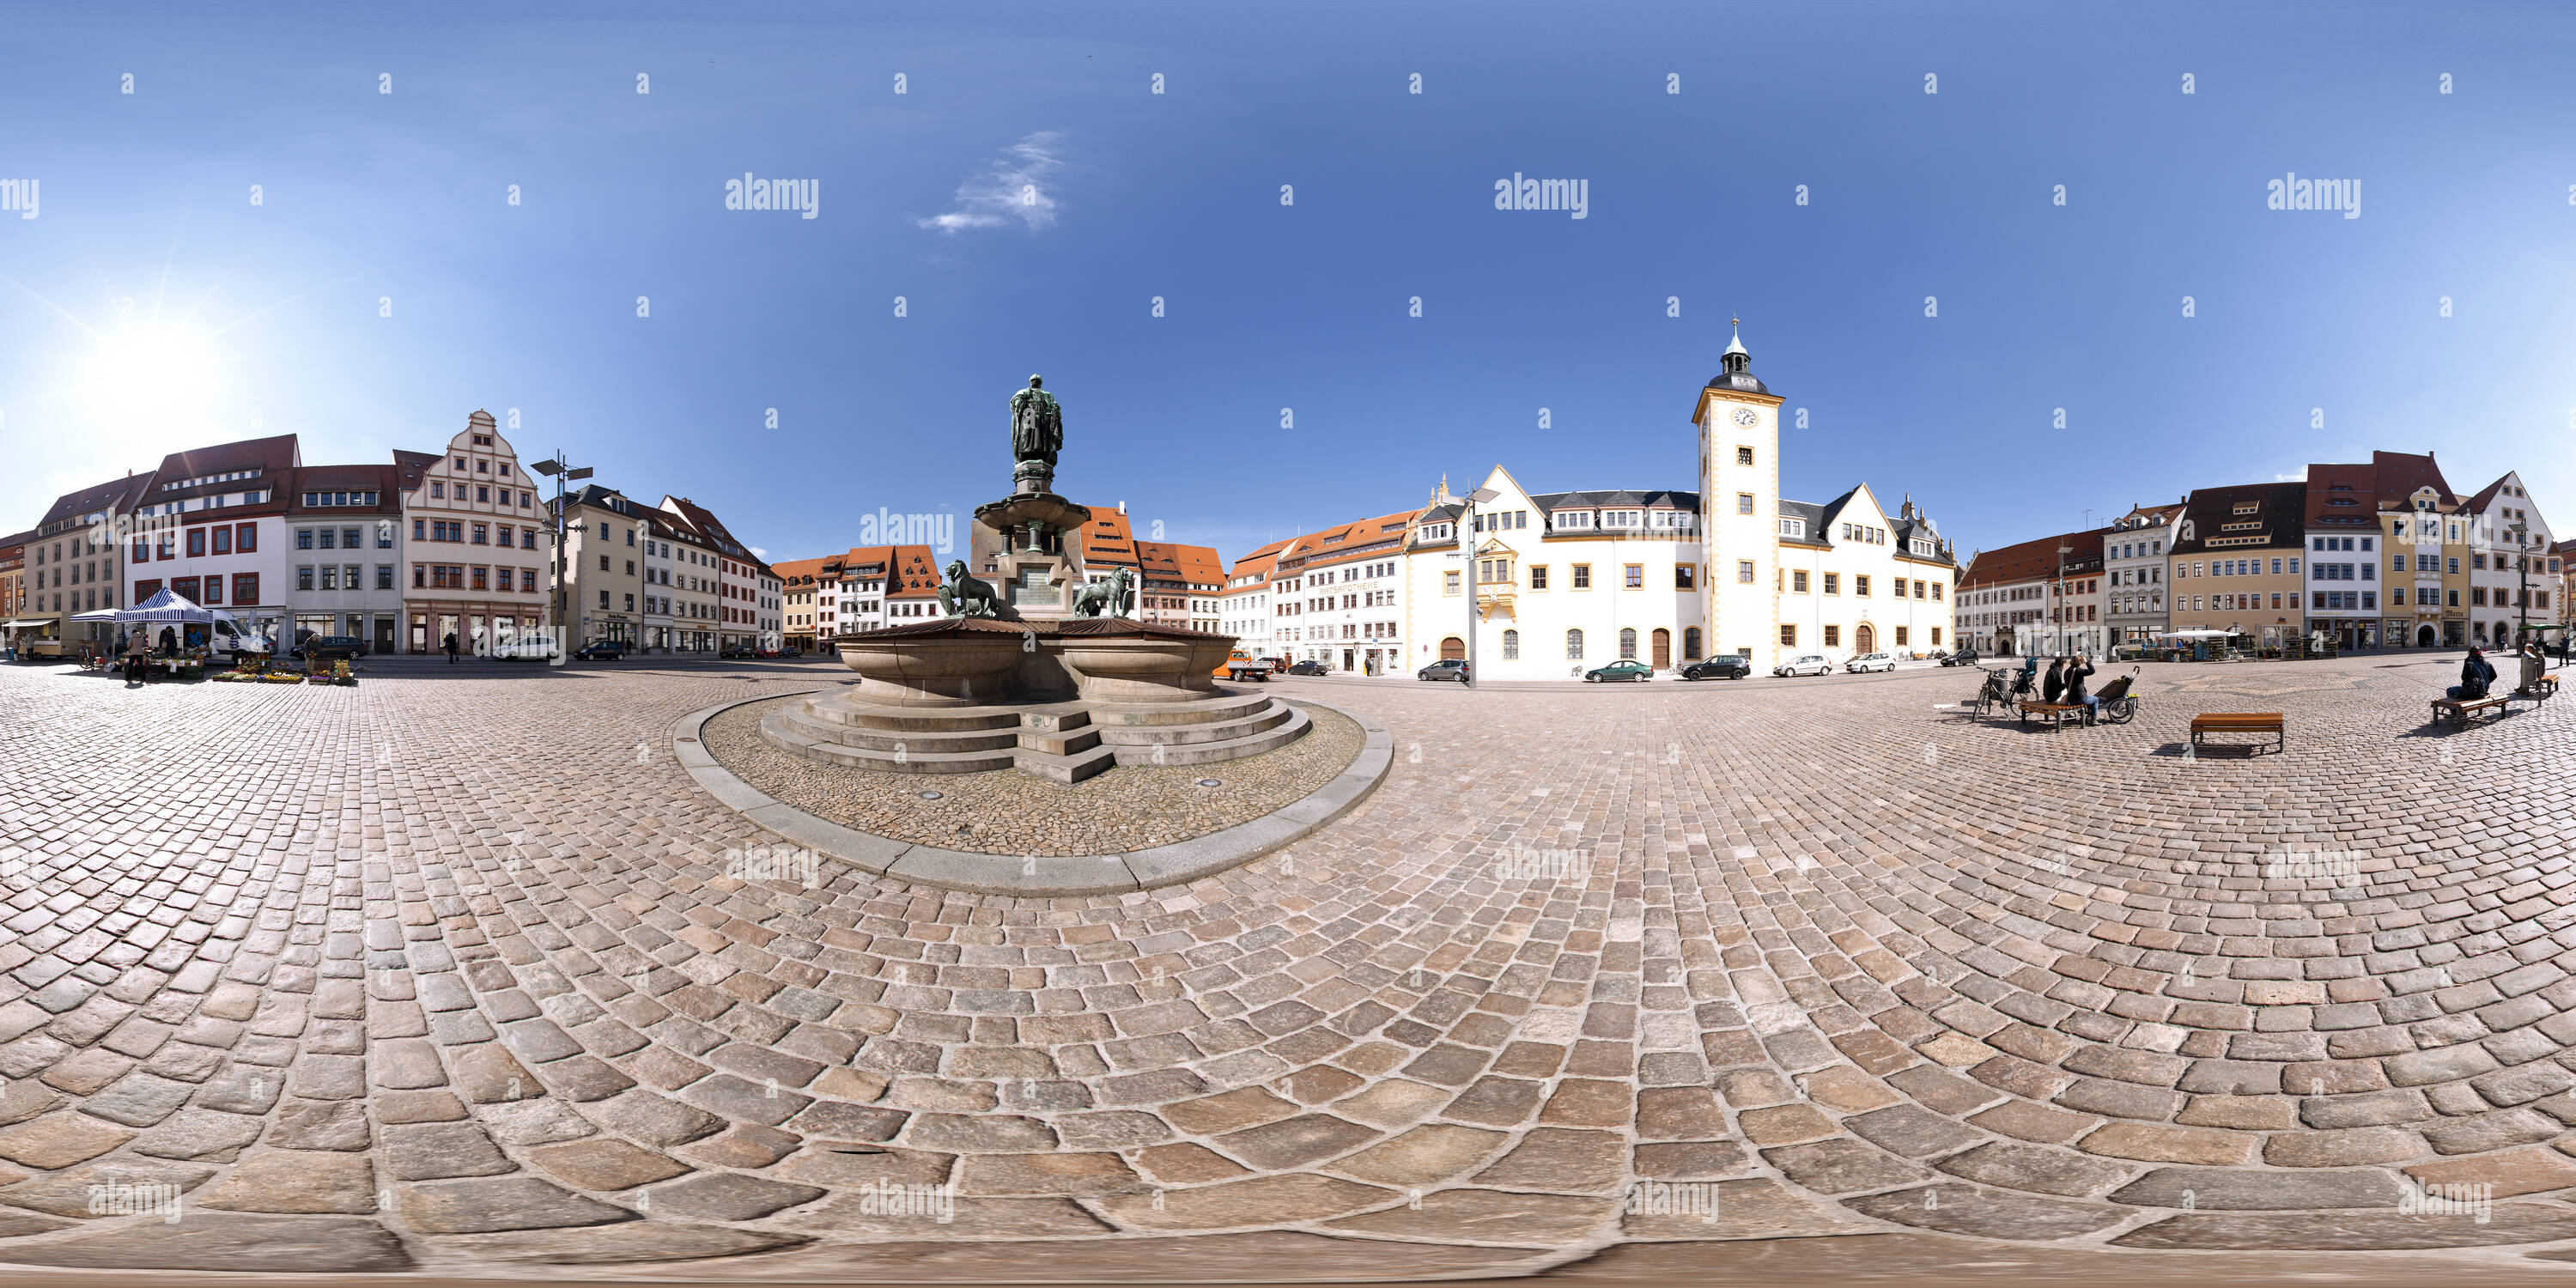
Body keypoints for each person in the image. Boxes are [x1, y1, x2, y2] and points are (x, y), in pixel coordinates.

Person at [2063, 653, 2099, 724]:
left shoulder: (2067, 671)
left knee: (2088, 699)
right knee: (2096, 699)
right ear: (2080, 662)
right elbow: (2092, 671)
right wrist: (2087, 661)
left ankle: (2084, 716)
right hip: (2080, 699)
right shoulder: (2079, 671)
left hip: (2071, 700)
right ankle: (2093, 720)